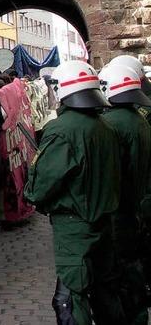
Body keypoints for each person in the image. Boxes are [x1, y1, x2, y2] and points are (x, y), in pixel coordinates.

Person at [24, 60, 126, 325]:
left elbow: (44, 182)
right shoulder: (106, 126)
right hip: (104, 222)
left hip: (75, 225)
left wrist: (34, 197)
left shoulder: (62, 129)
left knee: (70, 298)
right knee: (105, 292)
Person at [99, 64, 151, 325]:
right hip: (135, 207)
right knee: (133, 272)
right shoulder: (139, 118)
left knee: (120, 277)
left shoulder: (111, 123)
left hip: (119, 212)